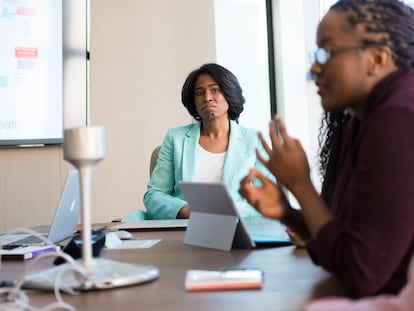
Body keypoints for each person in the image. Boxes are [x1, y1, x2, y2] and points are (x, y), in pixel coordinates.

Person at [239, 0, 414, 298]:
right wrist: (289, 214)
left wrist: (300, 183)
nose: (314, 67)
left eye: (328, 52)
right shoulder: (360, 119)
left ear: (377, 58)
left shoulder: (400, 115)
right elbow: (344, 250)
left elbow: (361, 274)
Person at [136, 63, 271, 220]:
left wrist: (225, 211)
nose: (207, 97)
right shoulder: (175, 137)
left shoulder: (254, 140)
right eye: (199, 93)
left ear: (229, 93)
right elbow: (154, 195)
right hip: (184, 227)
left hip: (234, 225)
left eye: (214, 90)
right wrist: (184, 211)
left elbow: (267, 199)